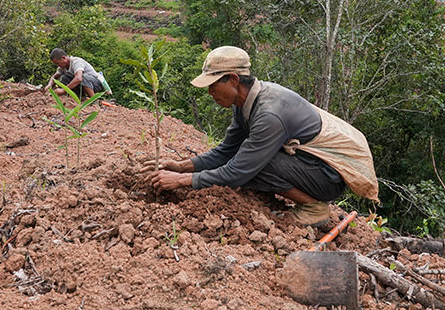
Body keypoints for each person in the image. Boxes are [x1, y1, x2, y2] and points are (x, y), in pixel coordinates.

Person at [144, 46, 379, 227]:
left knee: (253, 167)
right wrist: (182, 166)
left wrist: (181, 181)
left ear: (234, 79)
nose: (210, 92)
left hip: (328, 178)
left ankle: (314, 207)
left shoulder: (269, 114)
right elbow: (227, 150)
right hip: (310, 166)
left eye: (214, 84)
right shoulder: (244, 102)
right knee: (245, 160)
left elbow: (238, 170)